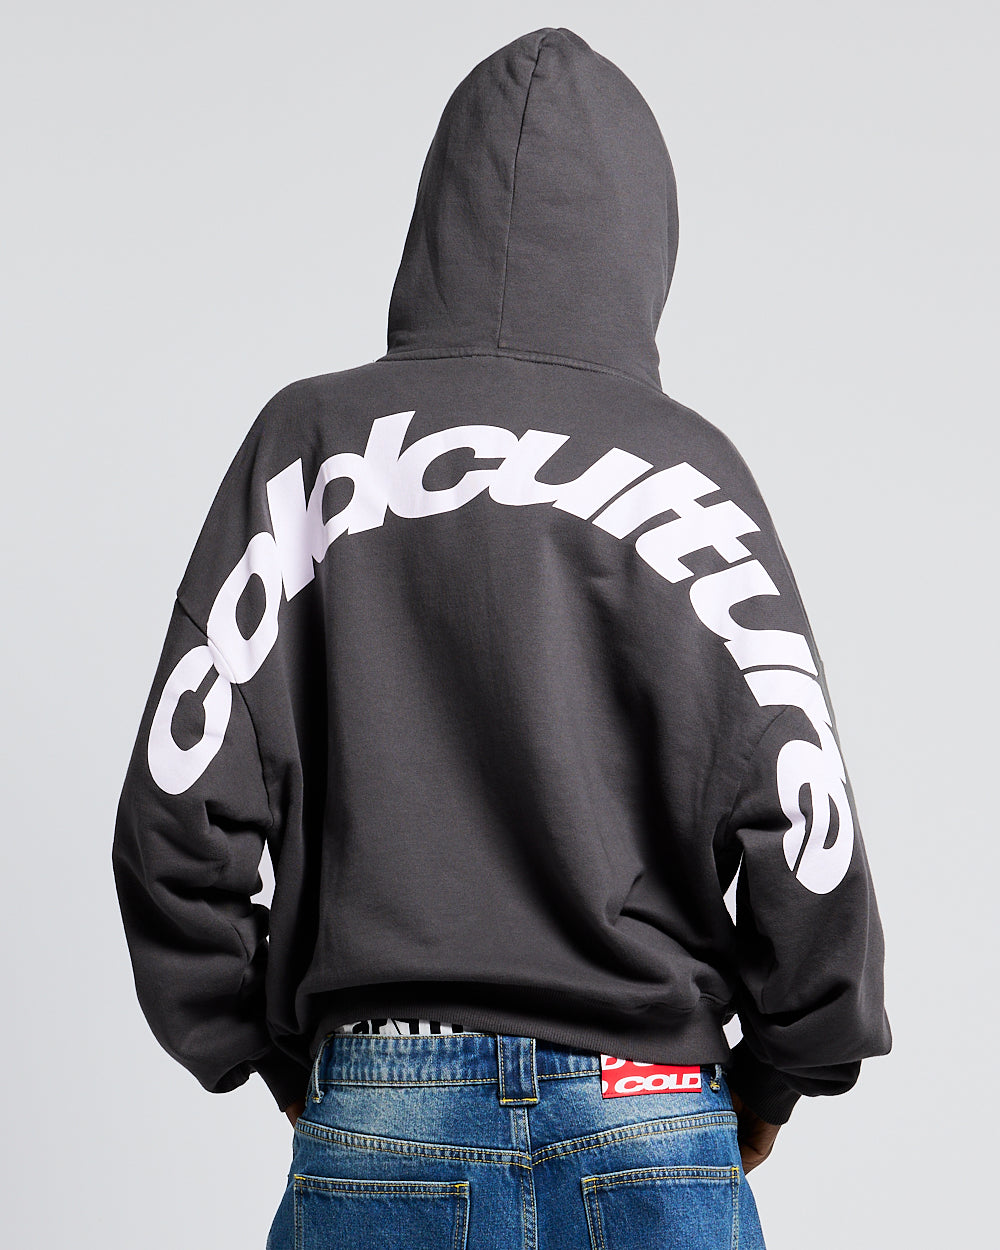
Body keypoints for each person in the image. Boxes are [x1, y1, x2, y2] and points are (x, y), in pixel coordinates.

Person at [111, 26, 891, 1249]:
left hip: (386, 1098)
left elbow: (176, 805)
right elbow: (805, 818)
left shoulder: (311, 448)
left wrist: (267, 1049)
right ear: (643, 238)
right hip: (648, 1102)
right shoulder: (692, 474)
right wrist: (784, 1065)